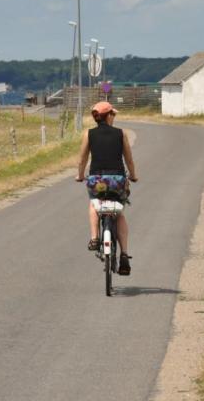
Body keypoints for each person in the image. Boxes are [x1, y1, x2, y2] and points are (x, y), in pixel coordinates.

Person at [76, 101, 137, 275]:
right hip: (117, 181)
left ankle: (95, 238)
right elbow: (129, 159)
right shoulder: (120, 134)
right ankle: (124, 253)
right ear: (109, 116)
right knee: (119, 213)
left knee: (94, 204)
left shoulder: (89, 134)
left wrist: (80, 176)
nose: (114, 117)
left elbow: (82, 159)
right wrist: (133, 175)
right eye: (113, 114)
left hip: (97, 180)